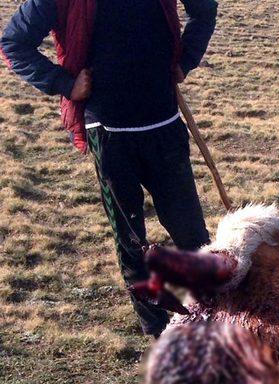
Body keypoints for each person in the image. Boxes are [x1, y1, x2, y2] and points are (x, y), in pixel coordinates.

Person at [1, 0, 218, 338]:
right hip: (109, 134)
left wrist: (186, 59)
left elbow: (204, 9)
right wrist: (64, 84)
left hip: (164, 125)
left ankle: (217, 318)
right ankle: (157, 328)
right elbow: (14, 42)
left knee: (192, 233)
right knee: (131, 239)